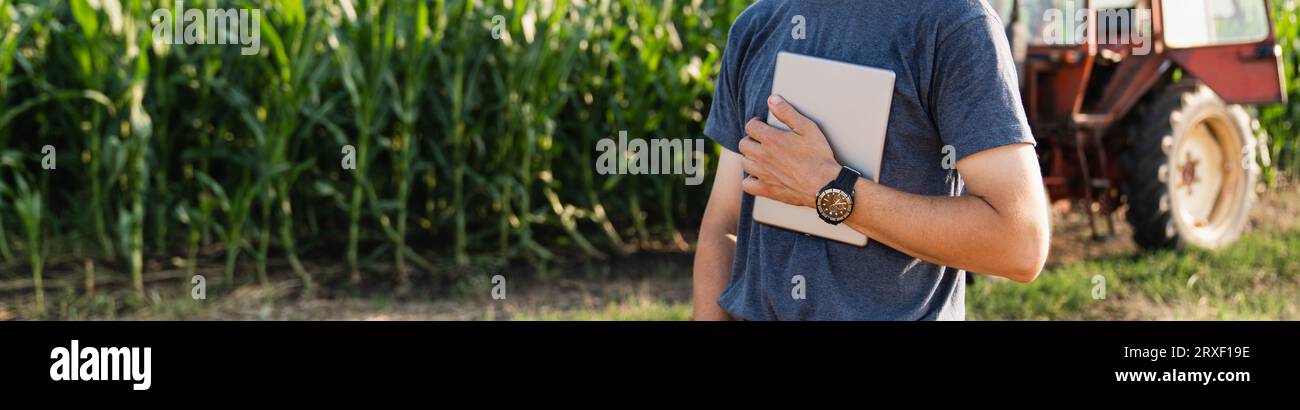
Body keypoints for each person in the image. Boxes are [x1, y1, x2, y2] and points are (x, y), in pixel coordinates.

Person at [693, 0, 1050, 320]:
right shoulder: (757, 23)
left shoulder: (956, 21)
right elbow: (724, 223)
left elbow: (1019, 243)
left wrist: (829, 189)